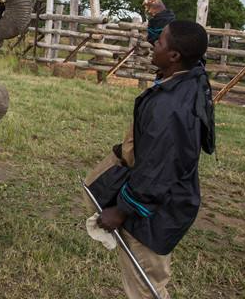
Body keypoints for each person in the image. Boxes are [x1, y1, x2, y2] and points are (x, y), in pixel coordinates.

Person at [96, 20, 215, 298]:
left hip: (156, 212)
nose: (153, 44)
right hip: (166, 201)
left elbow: (158, 171)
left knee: (147, 285)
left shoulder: (171, 110)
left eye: (159, 42)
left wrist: (121, 210)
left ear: (174, 55)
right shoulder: (188, 77)